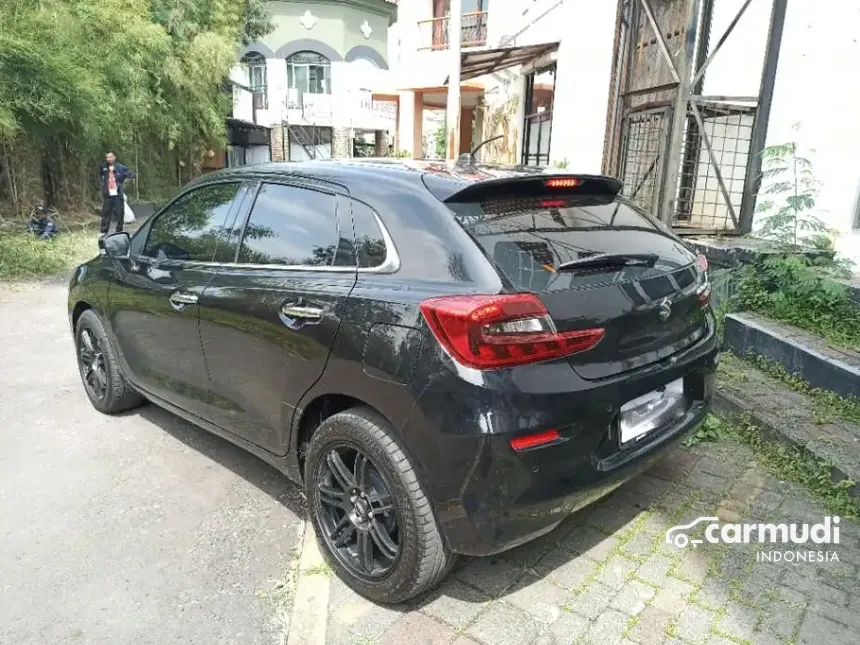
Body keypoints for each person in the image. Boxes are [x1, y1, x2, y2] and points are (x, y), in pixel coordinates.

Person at [99, 152, 135, 236]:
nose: (109, 159)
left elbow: (132, 174)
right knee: (106, 213)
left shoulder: (120, 167)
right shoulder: (103, 167)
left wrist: (123, 182)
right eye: (107, 157)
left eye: (110, 157)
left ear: (114, 157)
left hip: (118, 193)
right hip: (108, 193)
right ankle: (103, 232)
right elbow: (100, 175)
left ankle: (119, 231)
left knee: (120, 213)